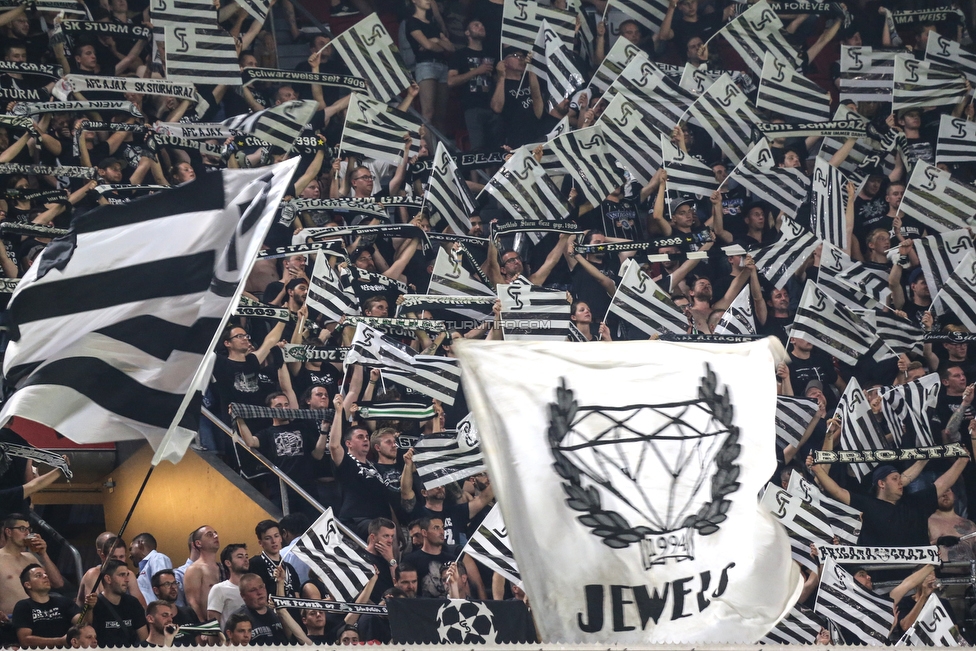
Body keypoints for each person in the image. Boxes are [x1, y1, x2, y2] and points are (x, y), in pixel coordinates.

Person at [810, 457, 969, 547]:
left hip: (918, 576)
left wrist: (962, 460)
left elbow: (942, 484)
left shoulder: (915, 502)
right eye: (895, 479)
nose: (900, 482)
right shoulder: (867, 505)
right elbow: (838, 492)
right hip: (883, 577)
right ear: (881, 483)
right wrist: (817, 470)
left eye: (901, 479)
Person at [328, 395, 395, 538]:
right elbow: (333, 446)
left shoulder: (376, 467)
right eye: (360, 437)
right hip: (357, 521)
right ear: (348, 444)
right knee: (380, 532)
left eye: (366, 437)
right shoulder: (346, 462)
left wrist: (398, 531)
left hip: (383, 522)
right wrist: (339, 412)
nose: (365, 439)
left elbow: (386, 500)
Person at [13, 564, 92, 648]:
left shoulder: (64, 602)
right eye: (39, 575)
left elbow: (83, 624)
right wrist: (59, 641)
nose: (45, 576)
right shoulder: (23, 606)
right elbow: (25, 640)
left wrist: (89, 608)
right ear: (28, 585)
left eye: (45, 574)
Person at [0, 514, 64, 616]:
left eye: (29, 529)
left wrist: (43, 554)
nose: (27, 533)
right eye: (22, 529)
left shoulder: (30, 557)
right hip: (11, 618)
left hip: (39, 616)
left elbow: (58, 583)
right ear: (8, 532)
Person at [448, 19, 497, 152]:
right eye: (476, 25)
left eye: (482, 25)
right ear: (467, 32)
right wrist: (477, 71)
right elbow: (451, 81)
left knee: (494, 149)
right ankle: (476, 174)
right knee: (477, 148)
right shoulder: (460, 54)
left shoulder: (491, 54)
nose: (481, 27)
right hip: (472, 106)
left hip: (493, 106)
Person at [91, 559, 149, 647]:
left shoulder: (133, 603)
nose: (127, 580)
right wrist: (89, 609)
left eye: (127, 575)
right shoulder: (94, 604)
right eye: (122, 575)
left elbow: (144, 640)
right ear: (108, 579)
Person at [402, 516, 454, 597]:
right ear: (424, 533)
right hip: (421, 607)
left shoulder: (452, 559)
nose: (442, 532)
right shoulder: (410, 560)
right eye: (436, 528)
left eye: (442, 527)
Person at [249, 520, 301, 599]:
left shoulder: (289, 568)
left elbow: (297, 597)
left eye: (276, 536)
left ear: (281, 538)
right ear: (260, 543)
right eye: (268, 538)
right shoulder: (256, 563)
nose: (273, 541)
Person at [233, 573, 288, 645]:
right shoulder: (237, 619)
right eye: (253, 590)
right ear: (243, 595)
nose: (259, 592)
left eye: (261, 587)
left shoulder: (275, 613)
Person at [151, 569, 201, 646]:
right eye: (167, 584)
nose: (173, 587)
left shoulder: (188, 612)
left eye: (174, 583)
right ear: (156, 590)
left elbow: (199, 643)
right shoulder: (153, 619)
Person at [183, 525, 222, 622]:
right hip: (210, 624)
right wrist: (204, 627)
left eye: (215, 533)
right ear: (198, 543)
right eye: (209, 535)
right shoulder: (194, 569)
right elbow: (193, 602)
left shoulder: (223, 567)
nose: (215, 536)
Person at [207, 543, 250, 628]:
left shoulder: (254, 587)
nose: (245, 560)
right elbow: (213, 623)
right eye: (240, 557)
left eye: (246, 556)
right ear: (228, 563)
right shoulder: (219, 589)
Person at [130, 532, 173, 606]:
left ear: (140, 544)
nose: (129, 555)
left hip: (159, 613)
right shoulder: (145, 567)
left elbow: (164, 588)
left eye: (130, 549)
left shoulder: (157, 558)